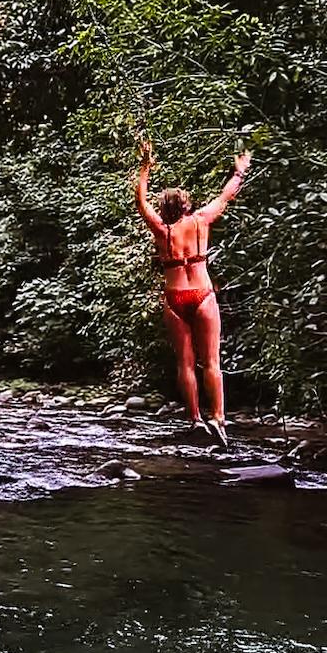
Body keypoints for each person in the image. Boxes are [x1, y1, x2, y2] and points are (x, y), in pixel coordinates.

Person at [135, 140, 252, 447]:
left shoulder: (163, 231)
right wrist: (239, 172)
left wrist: (146, 166)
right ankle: (219, 419)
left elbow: (140, 202)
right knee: (211, 362)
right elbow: (227, 195)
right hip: (202, 294)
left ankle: (194, 420)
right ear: (186, 205)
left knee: (185, 364)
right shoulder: (202, 221)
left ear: (165, 209)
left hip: (175, 299)